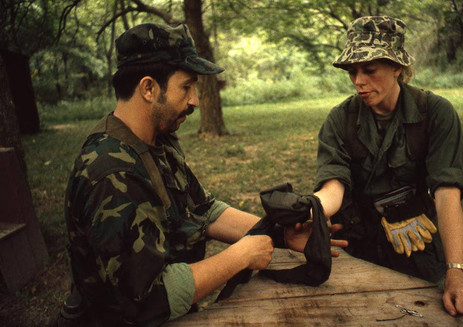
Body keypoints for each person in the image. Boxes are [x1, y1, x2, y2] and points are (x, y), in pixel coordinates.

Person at [57, 23, 344, 326]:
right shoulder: (112, 174)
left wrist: (281, 233)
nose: (195, 100)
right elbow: (145, 300)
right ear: (149, 88)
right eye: (186, 87)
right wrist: (239, 257)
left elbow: (203, 210)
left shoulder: (156, 139)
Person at [313, 16, 463, 317]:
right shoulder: (340, 120)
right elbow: (333, 186)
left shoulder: (434, 113)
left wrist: (456, 272)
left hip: (419, 250)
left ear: (397, 67)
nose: (358, 81)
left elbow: (447, 194)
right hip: (358, 251)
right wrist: (310, 213)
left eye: (369, 70)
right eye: (352, 71)